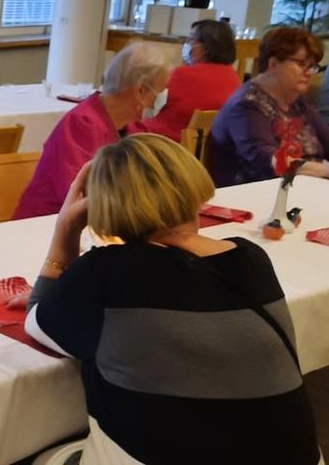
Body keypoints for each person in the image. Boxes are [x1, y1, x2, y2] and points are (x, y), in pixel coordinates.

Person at [23, 134, 321, 464]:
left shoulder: (105, 273)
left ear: (99, 206)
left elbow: (36, 320)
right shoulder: (251, 258)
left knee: (44, 455)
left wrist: (65, 230)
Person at [13, 42, 169, 219]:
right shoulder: (82, 123)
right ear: (140, 90)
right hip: (46, 223)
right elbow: (78, 196)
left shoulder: (133, 128)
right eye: (160, 92)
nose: (160, 102)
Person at [208, 27, 329, 187]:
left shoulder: (297, 100)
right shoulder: (246, 105)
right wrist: (325, 171)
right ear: (273, 64)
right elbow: (271, 161)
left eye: (312, 66)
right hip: (255, 193)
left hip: (300, 188)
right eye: (301, 64)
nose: (309, 73)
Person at [127, 19, 241, 140]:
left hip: (159, 142)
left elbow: (149, 102)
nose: (187, 44)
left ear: (205, 48)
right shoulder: (235, 79)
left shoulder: (183, 75)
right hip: (201, 148)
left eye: (191, 39)